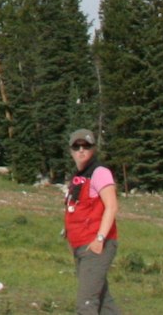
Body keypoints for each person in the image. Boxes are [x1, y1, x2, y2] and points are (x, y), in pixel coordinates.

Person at [64, 129, 122, 315]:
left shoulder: (100, 172)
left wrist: (99, 239)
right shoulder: (78, 178)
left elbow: (111, 206)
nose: (81, 150)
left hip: (97, 246)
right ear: (71, 150)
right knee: (104, 302)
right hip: (81, 246)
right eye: (76, 146)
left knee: (86, 303)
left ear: (93, 149)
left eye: (86, 146)